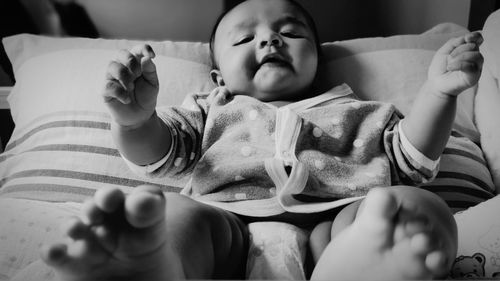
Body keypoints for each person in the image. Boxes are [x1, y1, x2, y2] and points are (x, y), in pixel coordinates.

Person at [40, 0, 484, 280]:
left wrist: (437, 93)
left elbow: (414, 156)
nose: (271, 38)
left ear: (319, 61)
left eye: (290, 32)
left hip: (336, 228)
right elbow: (160, 157)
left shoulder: (364, 111)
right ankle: (154, 263)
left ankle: (370, 264)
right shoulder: (210, 108)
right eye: (245, 38)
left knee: (410, 206)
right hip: (229, 227)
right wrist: (136, 122)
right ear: (219, 78)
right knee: (172, 214)